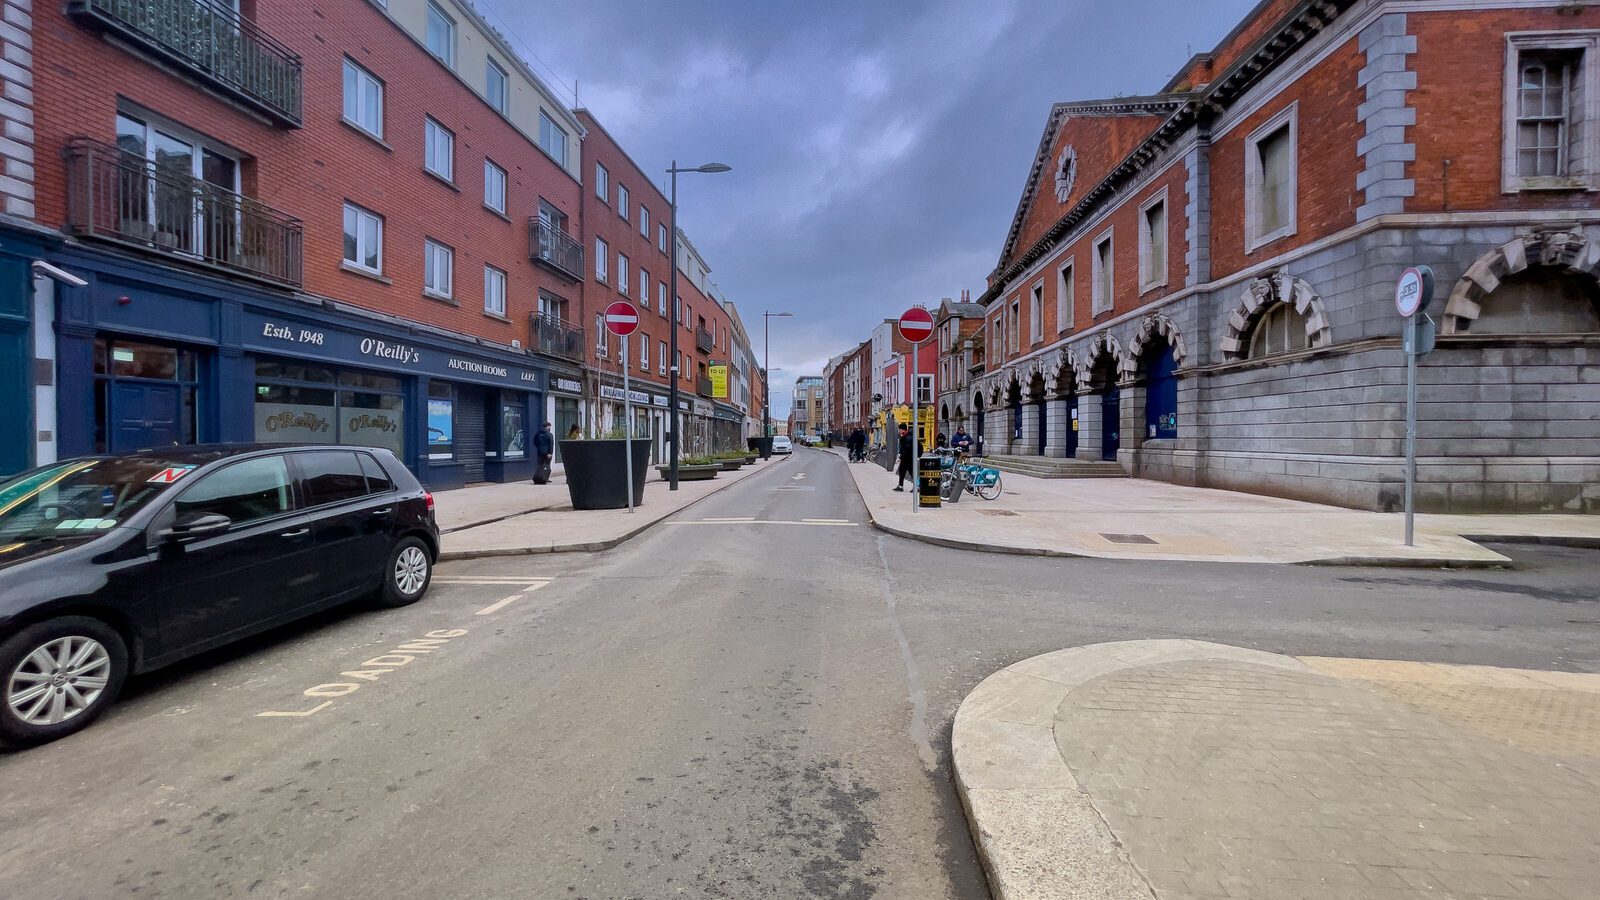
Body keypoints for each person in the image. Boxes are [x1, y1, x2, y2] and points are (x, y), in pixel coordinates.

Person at [893, 423, 915, 491]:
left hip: (908, 459)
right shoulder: (905, 436)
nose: (899, 430)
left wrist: (901, 456)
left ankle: (917, 486)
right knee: (901, 471)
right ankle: (900, 486)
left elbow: (907, 449)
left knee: (912, 472)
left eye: (899, 429)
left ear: (903, 429)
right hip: (905, 458)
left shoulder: (908, 437)